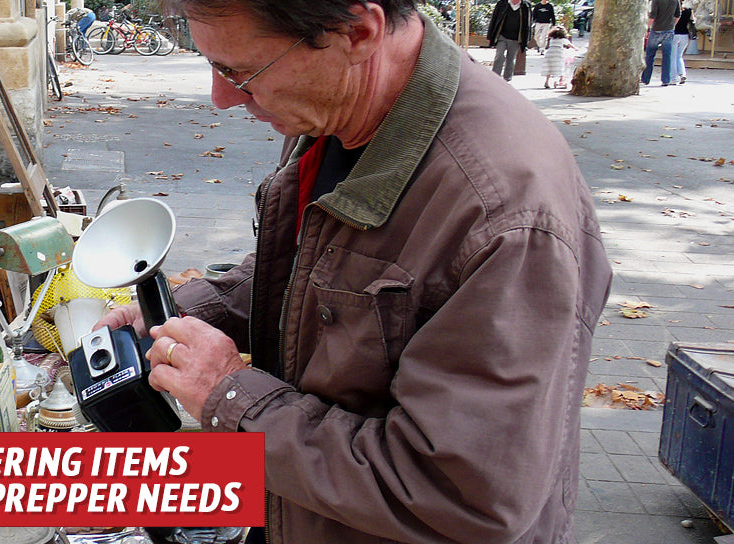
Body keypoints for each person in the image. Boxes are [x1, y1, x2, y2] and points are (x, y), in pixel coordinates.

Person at [95, 0, 612, 541]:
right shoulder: (340, 110)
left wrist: (232, 398)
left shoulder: (501, 213)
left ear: (359, 32)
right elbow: (313, 273)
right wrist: (186, 313)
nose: (222, 98)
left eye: (240, 72)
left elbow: (462, 492)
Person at [487, 0, 530, 81]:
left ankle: (507, 79)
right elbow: (494, 19)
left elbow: (528, 24)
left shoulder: (525, 6)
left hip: (516, 38)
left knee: (511, 59)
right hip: (502, 36)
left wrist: (526, 40)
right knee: (499, 56)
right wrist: (490, 36)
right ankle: (495, 77)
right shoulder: (502, 3)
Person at [644, 0, 679, 86]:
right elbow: (677, 15)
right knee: (667, 56)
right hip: (669, 30)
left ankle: (646, 78)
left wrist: (647, 29)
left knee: (650, 55)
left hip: (656, 29)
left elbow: (652, 16)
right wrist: (672, 25)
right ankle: (665, 80)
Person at [672, 5, 696, 84]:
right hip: (685, 35)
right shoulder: (689, 10)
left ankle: (673, 78)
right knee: (679, 56)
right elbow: (693, 21)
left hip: (675, 34)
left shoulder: (674, 9)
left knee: (673, 57)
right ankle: (682, 74)